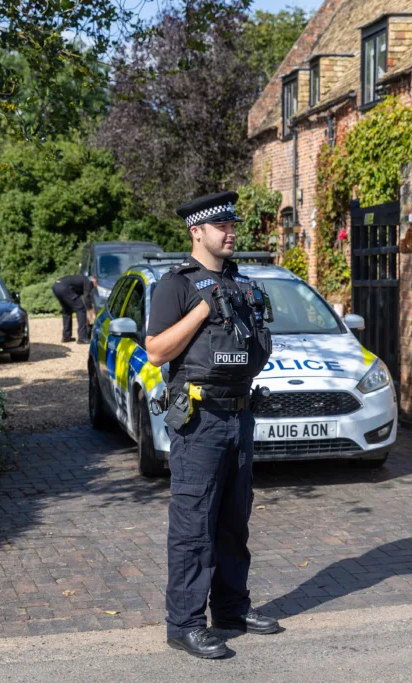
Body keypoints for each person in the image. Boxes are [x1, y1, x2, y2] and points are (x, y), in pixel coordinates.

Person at [145, 190, 276, 659]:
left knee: (233, 520)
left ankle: (231, 609)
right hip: (199, 421)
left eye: (233, 225)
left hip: (240, 415)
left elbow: (257, 349)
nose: (231, 232)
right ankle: (183, 623)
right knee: (193, 524)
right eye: (222, 226)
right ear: (196, 232)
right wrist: (202, 309)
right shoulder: (175, 286)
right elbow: (157, 351)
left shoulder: (241, 284)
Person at [52, 273, 95, 344]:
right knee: (81, 309)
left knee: (67, 310)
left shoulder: (81, 279)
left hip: (56, 287)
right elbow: (87, 298)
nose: (94, 287)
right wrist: (91, 311)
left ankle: (66, 336)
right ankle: (82, 338)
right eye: (95, 285)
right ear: (94, 280)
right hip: (64, 288)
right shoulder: (88, 281)